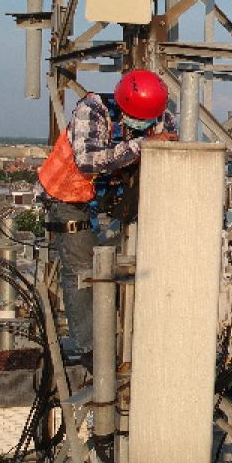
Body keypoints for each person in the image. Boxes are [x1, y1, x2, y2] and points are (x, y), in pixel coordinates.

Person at [37, 70, 175, 354]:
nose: (144, 124)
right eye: (138, 118)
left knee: (126, 269)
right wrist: (139, 146)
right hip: (69, 198)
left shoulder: (160, 118)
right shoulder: (93, 110)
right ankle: (90, 350)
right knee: (83, 273)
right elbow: (88, 161)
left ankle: (128, 343)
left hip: (112, 202)